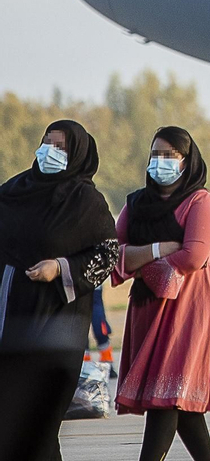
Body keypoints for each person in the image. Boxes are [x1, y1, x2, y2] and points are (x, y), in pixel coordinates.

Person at [0, 121, 119, 461]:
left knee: (38, 422)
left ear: (78, 154)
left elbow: (107, 253)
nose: (49, 151)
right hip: (10, 319)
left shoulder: (86, 202)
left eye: (60, 147)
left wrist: (60, 267)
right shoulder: (14, 191)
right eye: (46, 142)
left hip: (57, 324)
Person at [112, 127, 210, 461]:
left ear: (187, 160)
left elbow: (194, 256)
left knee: (168, 392)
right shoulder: (136, 203)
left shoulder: (200, 201)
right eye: (155, 155)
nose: (160, 162)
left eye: (170, 155)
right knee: (176, 396)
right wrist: (159, 248)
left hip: (191, 306)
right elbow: (114, 254)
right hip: (150, 305)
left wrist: (140, 260)